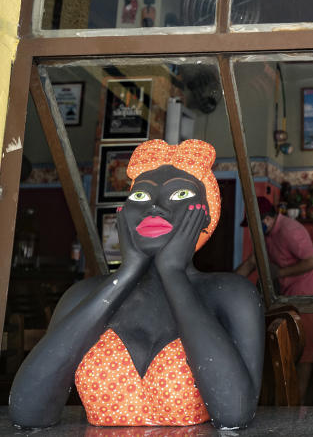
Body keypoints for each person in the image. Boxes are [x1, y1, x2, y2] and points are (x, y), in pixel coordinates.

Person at [9, 140, 263, 428]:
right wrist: (126, 273)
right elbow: (27, 413)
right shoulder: (82, 294)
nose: (154, 207)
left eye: (180, 193)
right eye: (140, 196)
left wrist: (173, 273)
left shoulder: (232, 295)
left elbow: (234, 414)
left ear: (207, 215)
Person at [235, 196, 313, 403]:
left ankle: (296, 406)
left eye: (253, 224)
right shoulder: (265, 234)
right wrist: (227, 284)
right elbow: (252, 262)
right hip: (287, 294)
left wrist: (281, 272)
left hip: (307, 295)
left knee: (305, 350)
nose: (252, 230)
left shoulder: (291, 231)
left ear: (267, 219)